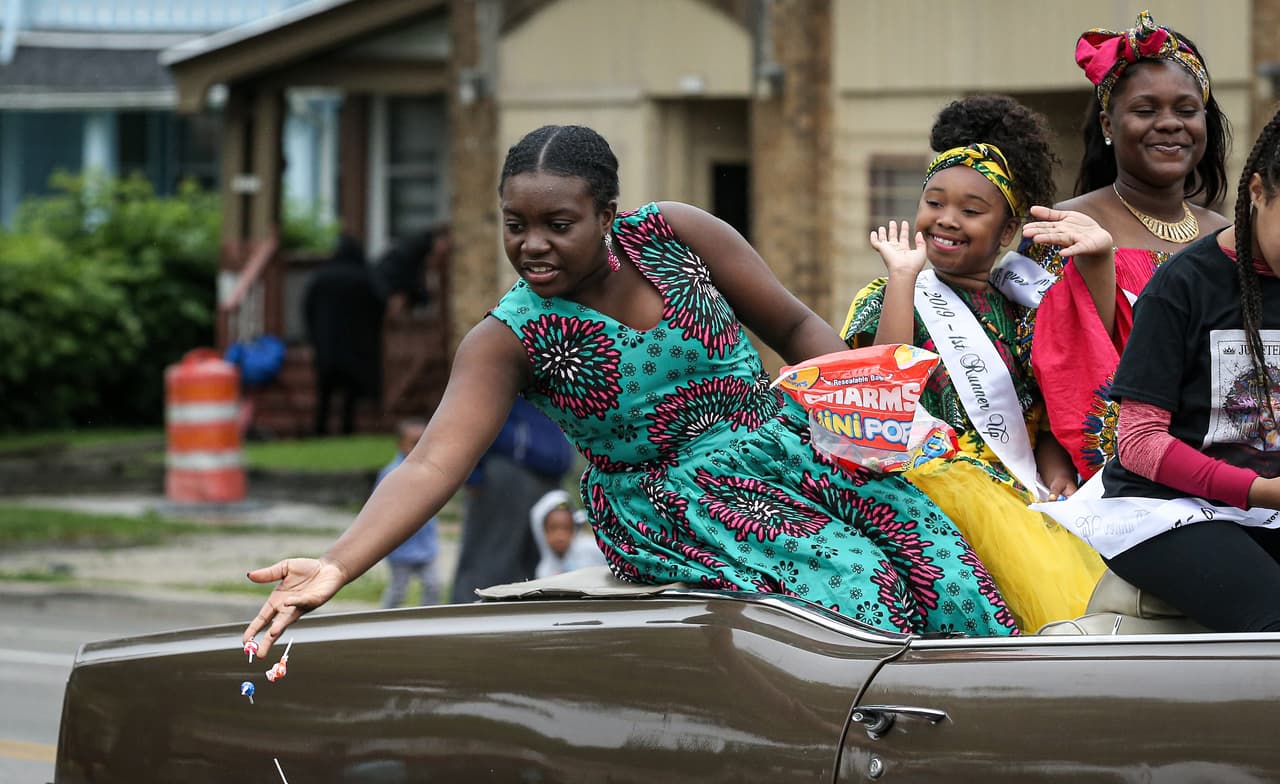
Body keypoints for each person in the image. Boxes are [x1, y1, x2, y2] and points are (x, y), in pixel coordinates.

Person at [244, 124, 1017, 654]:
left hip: (793, 442)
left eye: (557, 222)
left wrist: (863, 416)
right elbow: (431, 465)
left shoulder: (676, 234)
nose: (532, 244)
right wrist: (338, 564)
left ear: (608, 216)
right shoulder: (507, 338)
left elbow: (792, 323)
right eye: (515, 223)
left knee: (945, 568)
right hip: (681, 497)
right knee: (862, 589)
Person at [842, 95, 1108, 633]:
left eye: (970, 210)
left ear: (1007, 232)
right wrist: (901, 279)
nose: (946, 220)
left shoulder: (1026, 303)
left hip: (1018, 489)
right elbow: (881, 387)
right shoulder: (889, 291)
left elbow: (1052, 401)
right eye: (934, 202)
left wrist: (1054, 466)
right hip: (922, 480)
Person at [1035, 109, 1280, 633]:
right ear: (1257, 191)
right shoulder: (1184, 284)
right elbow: (1141, 444)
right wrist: (1261, 491)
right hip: (1167, 506)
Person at [1023, 10, 1230, 479]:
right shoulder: (1065, 226)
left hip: (1233, 465)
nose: (1169, 123)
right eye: (1145, 110)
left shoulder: (1227, 235)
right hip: (1110, 476)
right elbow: (1037, 377)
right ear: (1108, 125)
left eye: (1185, 109)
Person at [448, 396, 576, 602]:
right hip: (508, 467)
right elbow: (474, 401)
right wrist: (473, 470)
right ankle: (468, 624)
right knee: (492, 559)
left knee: (537, 564)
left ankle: (521, 626)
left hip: (549, 471)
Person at [303, 234, 384, 435]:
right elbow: (379, 306)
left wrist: (312, 336)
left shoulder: (322, 277)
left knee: (325, 391)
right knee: (350, 393)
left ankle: (320, 429)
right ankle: (347, 429)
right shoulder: (363, 277)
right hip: (355, 346)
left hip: (326, 345)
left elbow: (307, 307)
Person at [377, 418, 441, 608]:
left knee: (433, 585)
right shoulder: (391, 473)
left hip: (425, 545)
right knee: (398, 589)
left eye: (424, 441)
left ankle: (427, 623)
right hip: (400, 545)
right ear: (400, 444)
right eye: (414, 442)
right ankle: (383, 623)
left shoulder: (432, 470)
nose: (419, 447)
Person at [530, 489, 606, 579]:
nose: (560, 536)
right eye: (553, 528)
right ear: (542, 531)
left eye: (566, 528)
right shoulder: (544, 571)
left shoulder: (594, 551)